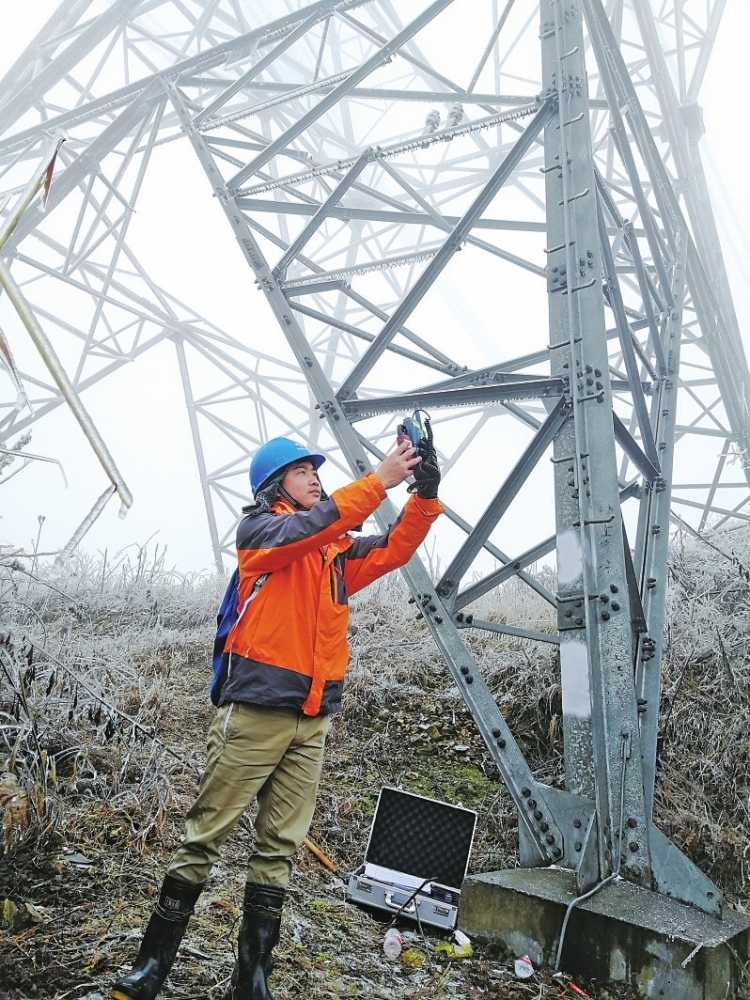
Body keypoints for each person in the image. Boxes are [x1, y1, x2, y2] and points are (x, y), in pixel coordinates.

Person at [111, 429, 443, 1000]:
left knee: (278, 850)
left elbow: (394, 548)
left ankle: (251, 982)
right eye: (301, 470)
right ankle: (149, 972)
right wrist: (377, 481)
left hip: (311, 721)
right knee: (203, 839)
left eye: (316, 470)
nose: (314, 477)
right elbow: (313, 526)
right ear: (274, 487)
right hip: (256, 713)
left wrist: (425, 494)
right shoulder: (262, 534)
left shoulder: (334, 553)